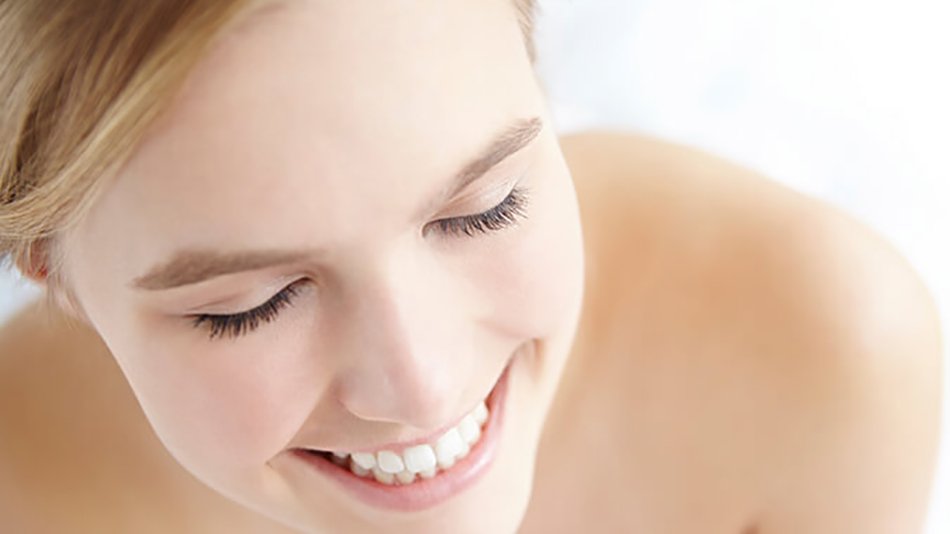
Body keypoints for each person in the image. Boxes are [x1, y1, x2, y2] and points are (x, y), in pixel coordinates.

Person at [0, 1, 942, 532]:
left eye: (483, 209)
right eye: (254, 305)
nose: (423, 386)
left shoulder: (821, 355)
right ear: (48, 266)